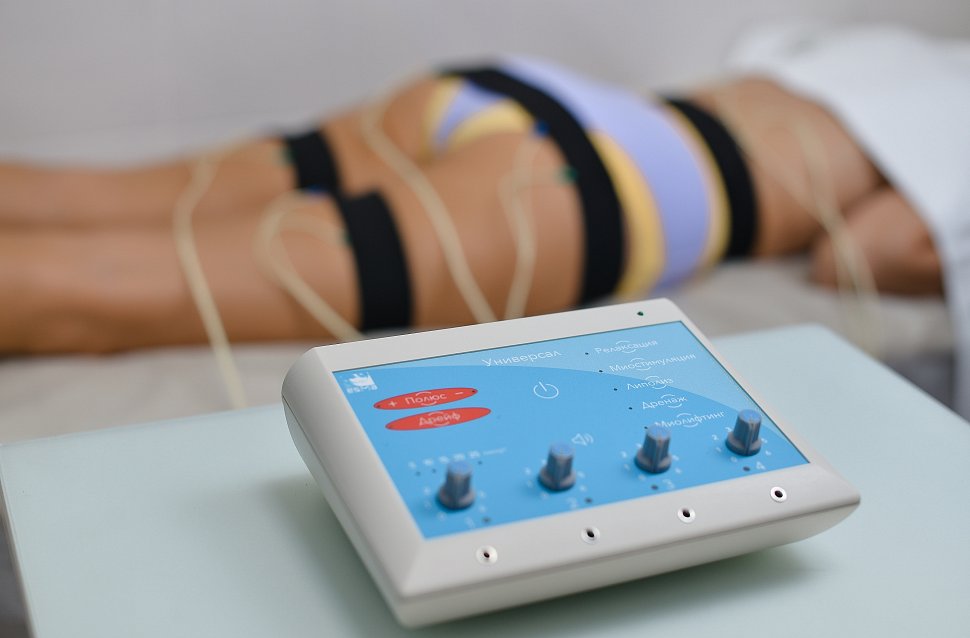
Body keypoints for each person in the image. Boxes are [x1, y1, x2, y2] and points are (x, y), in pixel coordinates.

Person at [0, 54, 945, 356]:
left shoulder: (897, 50)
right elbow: (861, 255)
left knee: (95, 198)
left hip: (525, 91)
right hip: (598, 191)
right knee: (109, 287)